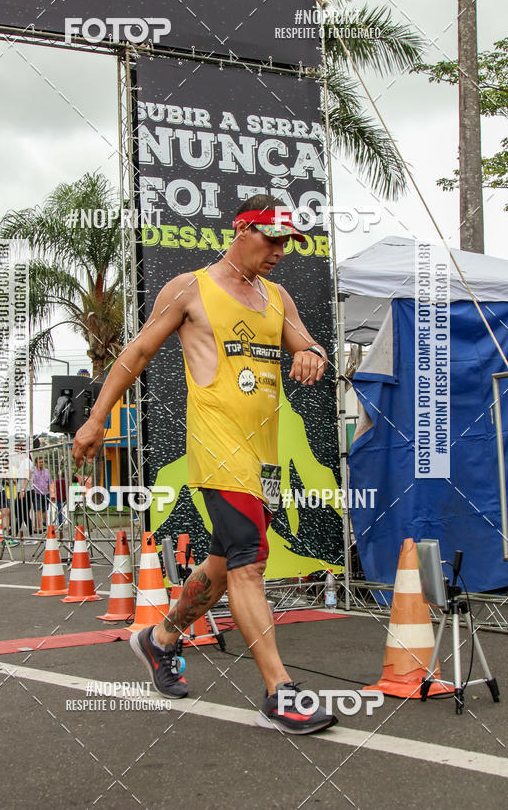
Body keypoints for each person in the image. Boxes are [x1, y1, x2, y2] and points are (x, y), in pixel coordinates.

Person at [72, 195, 337, 736]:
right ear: (242, 230)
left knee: (221, 565)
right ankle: (280, 692)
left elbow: (306, 343)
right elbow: (137, 354)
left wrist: (312, 351)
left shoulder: (277, 296)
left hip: (264, 458)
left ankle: (161, 636)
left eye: (289, 244)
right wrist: (97, 418)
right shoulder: (191, 288)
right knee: (248, 560)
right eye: (272, 239)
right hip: (218, 450)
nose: (280, 253)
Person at [32, 456, 53, 532]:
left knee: (44, 510)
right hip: (36, 493)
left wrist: (51, 491)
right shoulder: (33, 471)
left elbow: (50, 482)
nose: (41, 463)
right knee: (38, 510)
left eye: (42, 462)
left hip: (46, 493)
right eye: (40, 462)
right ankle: (40, 527)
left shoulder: (46, 471)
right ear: (36, 463)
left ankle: (42, 525)